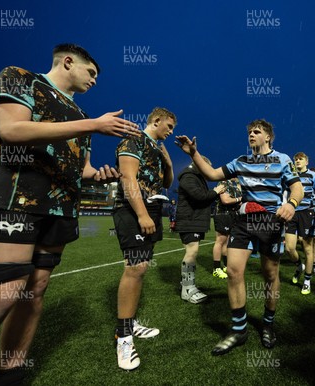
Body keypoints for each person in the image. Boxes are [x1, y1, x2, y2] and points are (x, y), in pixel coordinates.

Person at [0, 43, 140, 384]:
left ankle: (8, 378)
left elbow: (83, 168)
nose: (94, 80)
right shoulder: (20, 78)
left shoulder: (80, 116)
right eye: (91, 72)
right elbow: (12, 130)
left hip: (60, 210)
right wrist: (94, 125)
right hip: (15, 202)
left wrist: (100, 174)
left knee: (34, 294)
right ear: (68, 62)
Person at [175, 119, 303, 356]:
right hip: (244, 222)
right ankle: (238, 329)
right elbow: (213, 174)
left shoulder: (283, 159)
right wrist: (194, 153)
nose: (252, 134)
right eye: (250, 132)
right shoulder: (240, 161)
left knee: (271, 273)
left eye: (257, 131)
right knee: (233, 270)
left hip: (270, 221)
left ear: (268, 137)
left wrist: (292, 204)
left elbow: (297, 188)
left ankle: (268, 324)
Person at [113, 107, 175, 370]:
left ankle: (130, 323)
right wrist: (141, 214)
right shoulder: (134, 139)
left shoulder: (158, 148)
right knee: (136, 266)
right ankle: (123, 337)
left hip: (151, 208)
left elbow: (167, 183)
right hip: (133, 208)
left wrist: (169, 162)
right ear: (156, 120)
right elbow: (128, 177)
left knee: (142, 267)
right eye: (169, 126)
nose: (171, 132)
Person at [176, 157, 226, 302]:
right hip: (189, 220)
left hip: (193, 220)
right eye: (205, 167)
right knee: (192, 252)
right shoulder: (188, 176)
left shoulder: (194, 176)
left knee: (192, 252)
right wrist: (216, 191)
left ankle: (186, 284)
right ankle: (187, 289)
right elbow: (199, 197)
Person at [285, 153, 315, 295]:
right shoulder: (290, 175)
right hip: (292, 212)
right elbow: (285, 194)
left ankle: (307, 281)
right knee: (289, 248)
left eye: (300, 159)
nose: (297, 161)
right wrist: (285, 207)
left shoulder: (313, 175)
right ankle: (299, 267)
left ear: (307, 162)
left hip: (306, 213)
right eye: (296, 159)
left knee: (307, 248)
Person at [212, 178, 242, 279]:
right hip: (222, 214)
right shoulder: (223, 182)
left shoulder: (233, 184)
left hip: (231, 215)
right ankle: (216, 268)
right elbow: (225, 200)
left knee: (227, 241)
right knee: (220, 241)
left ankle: (225, 265)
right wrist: (238, 199)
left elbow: (239, 194)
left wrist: (238, 182)